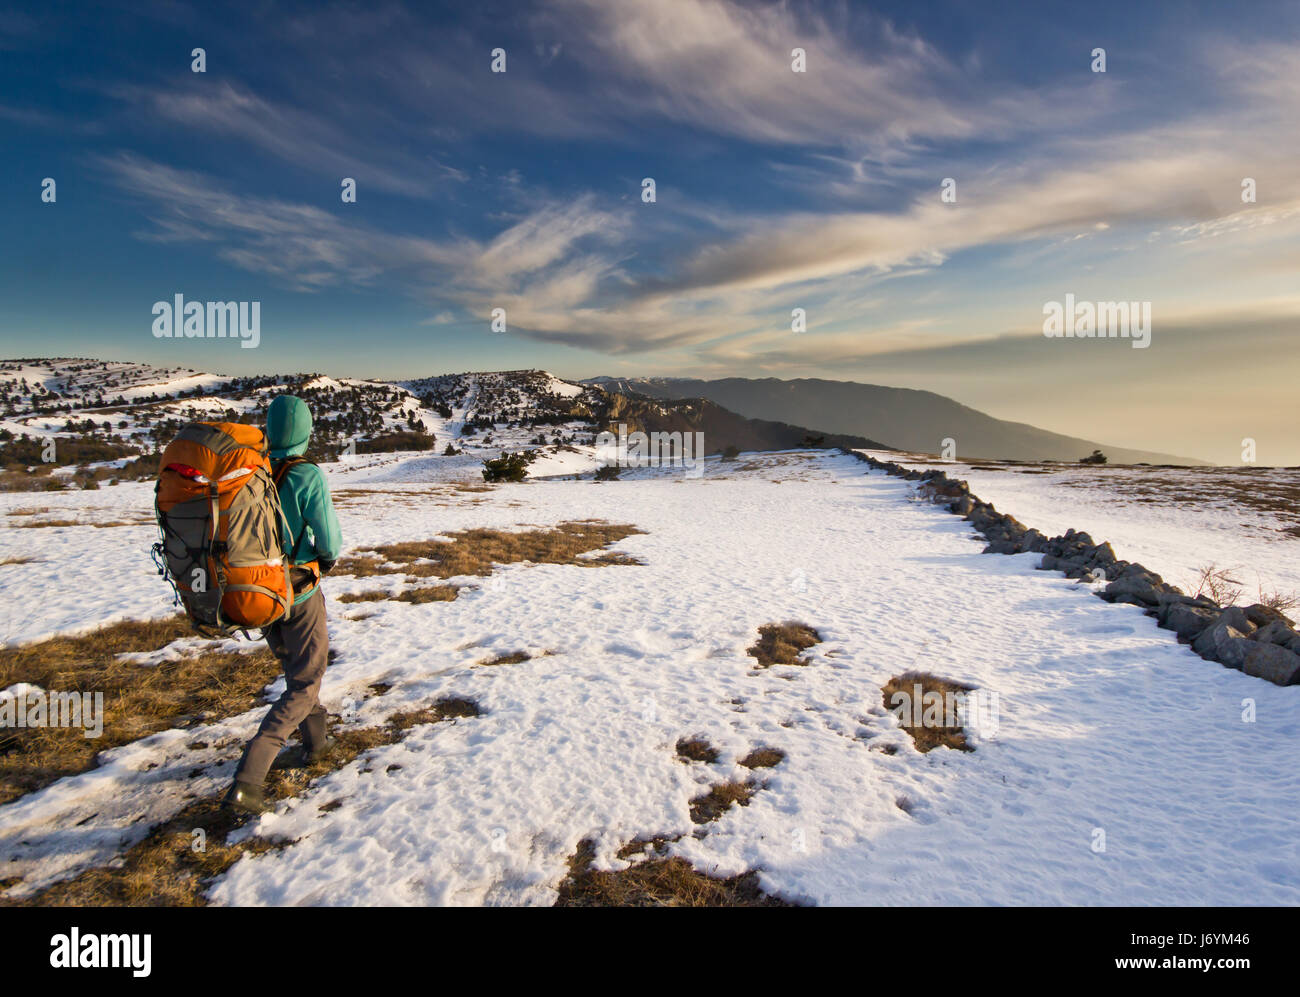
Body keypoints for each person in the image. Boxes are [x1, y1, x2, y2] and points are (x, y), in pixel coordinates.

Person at [223, 395, 342, 815]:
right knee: (306, 681)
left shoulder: (246, 470)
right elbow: (328, 536)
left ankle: (317, 743)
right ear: (306, 432)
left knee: (299, 672)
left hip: (255, 592)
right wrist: (323, 560)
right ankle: (249, 780)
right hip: (297, 590)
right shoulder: (306, 474)